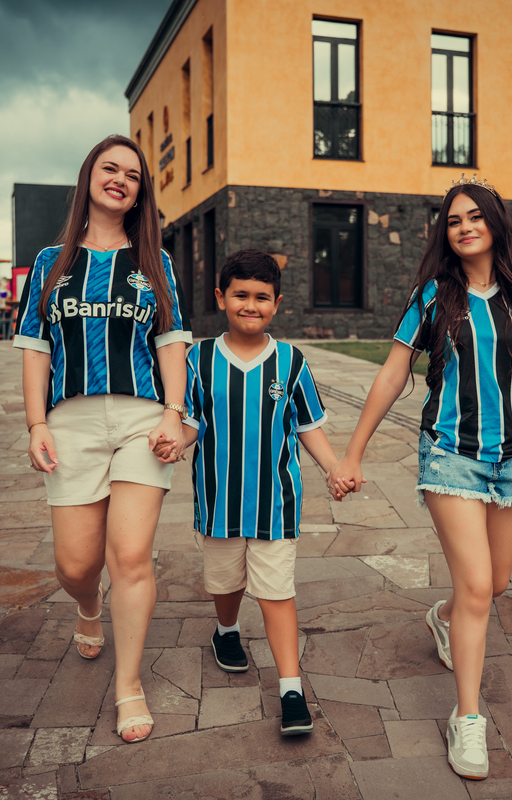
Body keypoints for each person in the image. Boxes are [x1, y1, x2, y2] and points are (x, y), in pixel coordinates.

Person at [327, 177, 512, 780]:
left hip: (511, 460)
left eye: (474, 217)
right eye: (453, 220)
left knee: (494, 584)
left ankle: (442, 619)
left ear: (495, 224)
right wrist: (352, 453)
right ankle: (468, 719)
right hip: (450, 455)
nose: (464, 227)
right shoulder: (433, 297)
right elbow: (394, 373)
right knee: (477, 587)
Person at [13, 134, 191, 744]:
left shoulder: (155, 263)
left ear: (140, 193)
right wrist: (36, 423)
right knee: (76, 564)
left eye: (132, 175)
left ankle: (128, 685)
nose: (120, 180)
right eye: (110, 169)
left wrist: (174, 414)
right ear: (89, 177)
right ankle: (88, 606)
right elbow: (35, 348)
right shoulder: (50, 262)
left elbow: (171, 342)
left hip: (143, 420)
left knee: (131, 556)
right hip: (72, 422)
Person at [155, 249, 350, 736]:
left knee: (277, 591)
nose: (251, 305)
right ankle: (226, 631)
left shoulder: (291, 361)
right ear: (221, 297)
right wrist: (176, 441)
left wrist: (333, 467)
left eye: (262, 297)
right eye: (240, 294)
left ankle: (291, 689)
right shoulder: (198, 360)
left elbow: (308, 426)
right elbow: (192, 420)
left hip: (275, 504)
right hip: (218, 502)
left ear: (277, 303)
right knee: (224, 582)